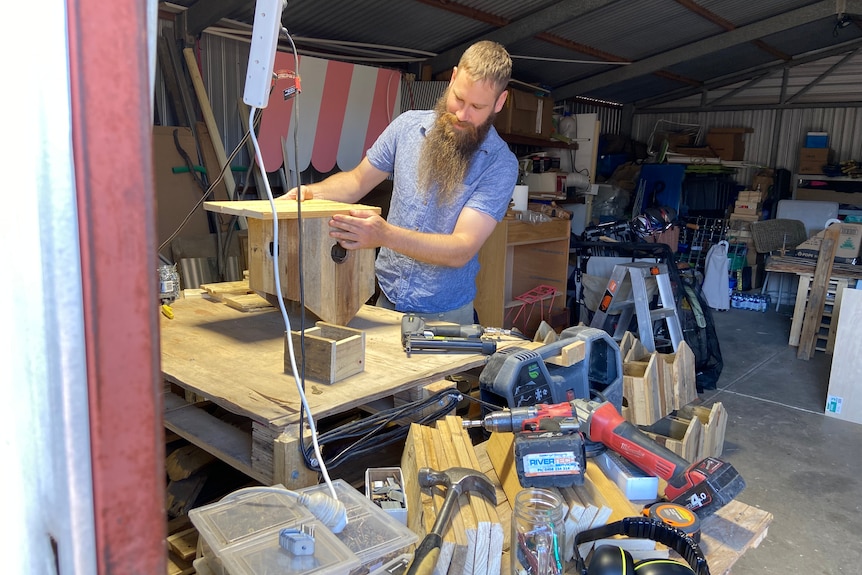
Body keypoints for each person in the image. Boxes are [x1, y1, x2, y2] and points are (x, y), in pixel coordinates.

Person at [283, 40, 518, 324]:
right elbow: (357, 181)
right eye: (459, 98)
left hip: (445, 318)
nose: (461, 114)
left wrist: (384, 235)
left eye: (477, 107)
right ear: (453, 77)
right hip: (385, 303)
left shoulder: (499, 164)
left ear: (500, 102)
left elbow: (462, 248)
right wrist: (310, 192)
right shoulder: (407, 127)